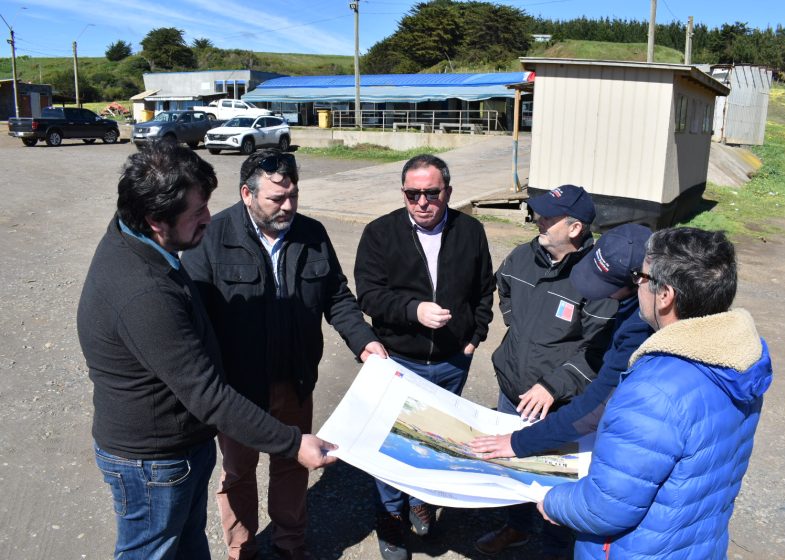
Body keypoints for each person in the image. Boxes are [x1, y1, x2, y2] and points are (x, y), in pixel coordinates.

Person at [76, 141, 336, 560]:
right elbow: (207, 394)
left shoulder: (139, 238)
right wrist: (292, 442)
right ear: (156, 220)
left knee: (187, 543)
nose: (208, 220)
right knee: (152, 550)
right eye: (196, 212)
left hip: (181, 447)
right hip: (154, 462)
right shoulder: (144, 291)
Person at [182, 148, 386, 560]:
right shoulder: (213, 237)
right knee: (238, 472)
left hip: (295, 382)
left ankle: (290, 544)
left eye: (293, 195)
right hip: (237, 391)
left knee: (293, 465)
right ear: (246, 194)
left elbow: (337, 297)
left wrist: (365, 341)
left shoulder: (312, 234)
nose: (288, 206)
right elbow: (193, 318)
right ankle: (242, 548)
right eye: (277, 198)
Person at [538, 227, 773, 560]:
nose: (637, 284)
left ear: (666, 295)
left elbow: (607, 507)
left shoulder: (654, 390)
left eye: (642, 277)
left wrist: (554, 501)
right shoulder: (739, 359)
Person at [470, 223, 655, 559]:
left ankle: (556, 549)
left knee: (560, 488)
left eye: (606, 287)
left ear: (641, 281)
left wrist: (518, 441)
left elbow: (595, 405)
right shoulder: (633, 303)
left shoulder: (637, 329)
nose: (599, 293)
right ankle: (518, 528)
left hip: (571, 412)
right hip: (518, 387)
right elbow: (506, 287)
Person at [354, 154, 495, 560]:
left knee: (432, 442)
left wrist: (475, 336)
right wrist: (413, 310)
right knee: (390, 443)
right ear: (403, 193)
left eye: (430, 193)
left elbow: (484, 290)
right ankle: (391, 517)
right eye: (412, 194)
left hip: (452, 361)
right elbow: (369, 295)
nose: (421, 202)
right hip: (400, 360)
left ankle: (420, 500)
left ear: (447, 192)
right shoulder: (380, 233)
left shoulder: (470, 230)